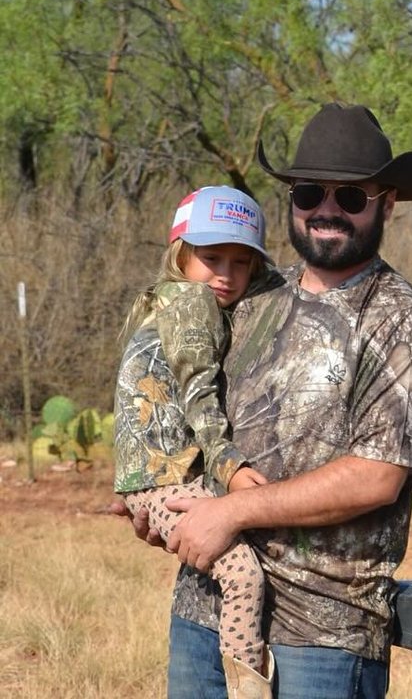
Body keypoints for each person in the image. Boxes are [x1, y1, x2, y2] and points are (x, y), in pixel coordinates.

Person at [136, 103, 412, 699]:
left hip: (323, 634)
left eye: (350, 197)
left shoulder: (399, 318)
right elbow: (189, 409)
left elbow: (376, 477)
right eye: (309, 192)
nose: (326, 209)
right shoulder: (248, 298)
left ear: (388, 203)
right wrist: (162, 502)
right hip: (205, 603)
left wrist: (228, 513)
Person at [114, 186, 277, 698]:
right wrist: (227, 465)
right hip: (167, 480)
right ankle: (247, 684)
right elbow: (197, 394)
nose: (225, 274)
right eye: (211, 258)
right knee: (243, 576)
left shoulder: (164, 301)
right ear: (179, 254)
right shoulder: (193, 304)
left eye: (242, 262)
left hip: (152, 479)